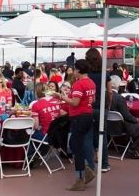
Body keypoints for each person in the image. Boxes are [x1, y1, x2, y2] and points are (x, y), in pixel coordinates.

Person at [53, 60, 96, 191]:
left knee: (74, 146)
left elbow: (75, 102)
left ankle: (81, 178)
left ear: (78, 70)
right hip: (88, 115)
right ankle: (86, 170)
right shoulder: (91, 83)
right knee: (76, 145)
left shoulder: (79, 84)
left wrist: (61, 96)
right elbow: (92, 100)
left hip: (79, 117)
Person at [108, 75, 139, 159]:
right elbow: (126, 115)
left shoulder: (104, 96)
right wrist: (135, 119)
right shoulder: (119, 98)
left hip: (108, 125)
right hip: (121, 127)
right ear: (118, 85)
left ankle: (131, 146)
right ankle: (132, 150)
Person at [86, 47, 111, 173]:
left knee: (90, 134)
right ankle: (104, 164)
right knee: (103, 134)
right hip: (102, 107)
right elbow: (110, 91)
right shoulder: (105, 74)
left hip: (89, 107)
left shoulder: (87, 75)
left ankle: (90, 164)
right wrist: (108, 105)